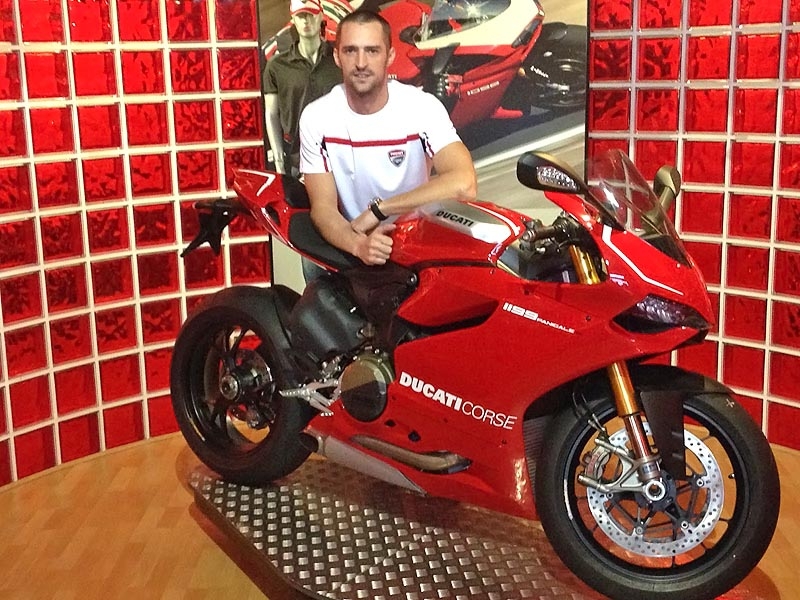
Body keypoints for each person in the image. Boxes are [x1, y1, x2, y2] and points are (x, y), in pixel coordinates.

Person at [298, 9, 477, 267]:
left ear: (390, 56)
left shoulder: (422, 107)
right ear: (337, 57)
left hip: (416, 244)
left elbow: (464, 183)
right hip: (352, 244)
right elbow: (323, 208)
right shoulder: (317, 117)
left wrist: (380, 210)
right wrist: (358, 246)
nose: (361, 63)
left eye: (372, 51)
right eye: (350, 51)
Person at [263, 0, 342, 175]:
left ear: (321, 16)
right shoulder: (277, 66)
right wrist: (279, 162)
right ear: (293, 20)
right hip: (297, 160)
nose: (306, 21)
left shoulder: (340, 60)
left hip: (339, 156)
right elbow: (271, 114)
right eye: (300, 16)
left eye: (311, 15)